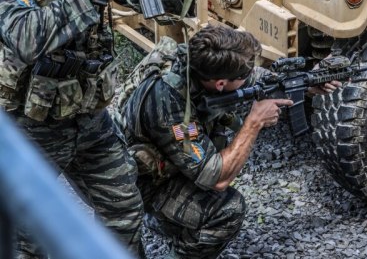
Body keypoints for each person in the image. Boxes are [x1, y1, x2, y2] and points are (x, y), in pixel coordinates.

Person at [0, 0, 223, 258]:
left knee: (122, 210)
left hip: (90, 116)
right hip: (31, 126)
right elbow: (23, 36)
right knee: (28, 237)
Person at [119, 25, 337, 259]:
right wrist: (253, 123)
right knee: (227, 210)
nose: (248, 77)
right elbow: (216, 178)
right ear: (220, 84)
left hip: (168, 159)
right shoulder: (172, 110)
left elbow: (254, 78)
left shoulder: (198, 60)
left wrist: (303, 83)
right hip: (140, 186)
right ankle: (165, 229)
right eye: (241, 77)